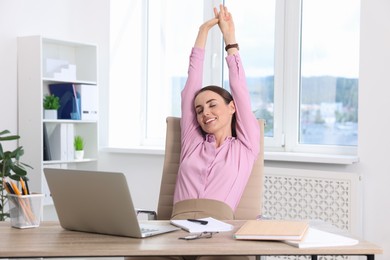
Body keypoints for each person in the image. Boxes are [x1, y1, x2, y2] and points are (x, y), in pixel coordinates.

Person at [171, 4, 260, 221]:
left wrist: (230, 40)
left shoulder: (245, 146)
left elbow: (239, 87)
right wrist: (203, 33)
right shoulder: (192, 143)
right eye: (199, 110)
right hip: (176, 228)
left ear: (232, 107)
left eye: (212, 105)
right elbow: (191, 86)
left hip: (217, 228)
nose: (205, 113)